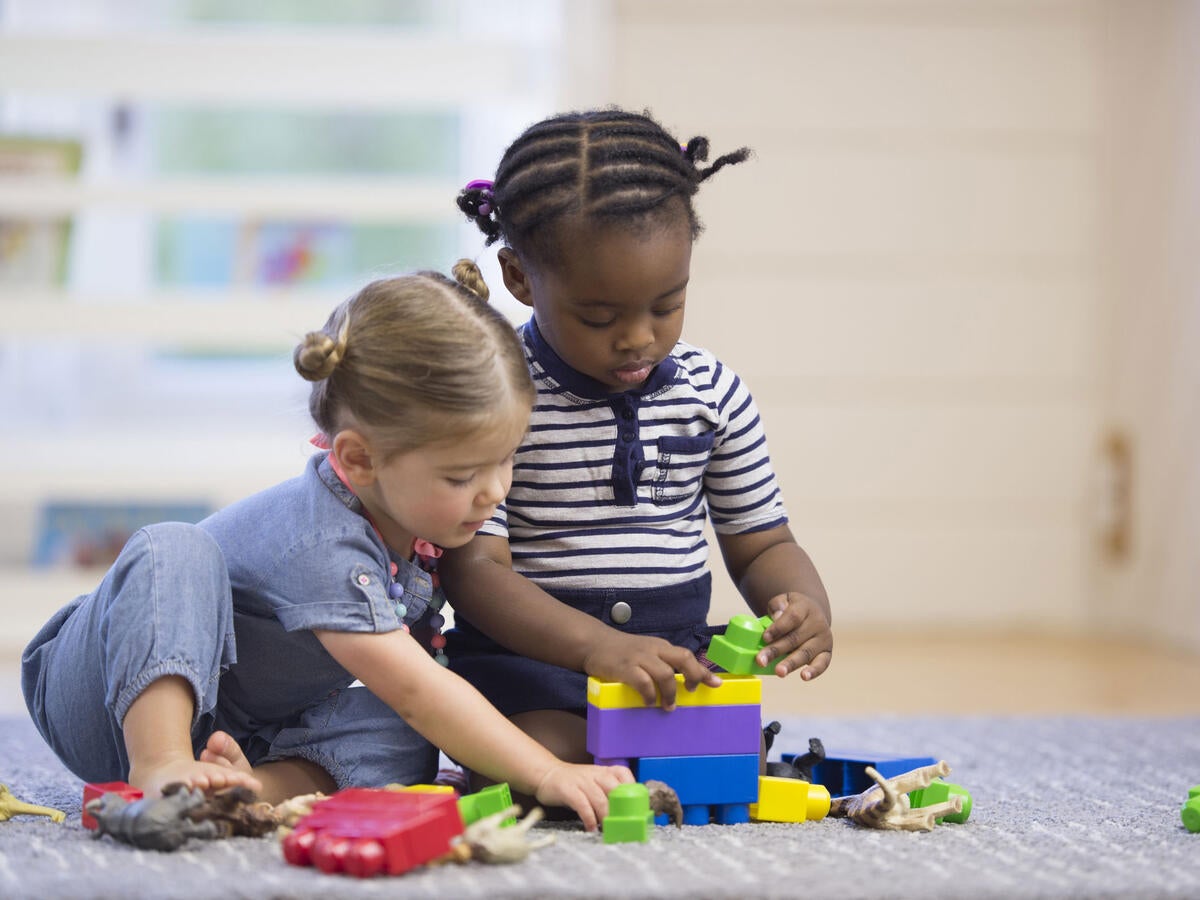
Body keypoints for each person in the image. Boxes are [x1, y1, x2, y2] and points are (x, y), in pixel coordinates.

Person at [21, 261, 632, 830]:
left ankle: (243, 791)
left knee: (405, 737)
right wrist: (547, 770)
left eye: (506, 461)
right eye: (460, 477)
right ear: (359, 459)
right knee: (175, 549)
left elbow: (415, 697)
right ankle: (162, 767)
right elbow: (421, 687)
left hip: (242, 725)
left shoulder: (413, 526)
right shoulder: (324, 542)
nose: (493, 492)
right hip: (102, 694)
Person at [441, 108, 833, 774]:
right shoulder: (498, 396)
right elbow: (474, 569)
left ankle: (649, 754)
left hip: (671, 665)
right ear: (519, 278)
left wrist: (802, 606)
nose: (638, 337)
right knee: (538, 751)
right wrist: (594, 648)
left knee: (728, 753)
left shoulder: (714, 395)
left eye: (666, 305)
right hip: (536, 666)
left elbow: (763, 541)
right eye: (599, 316)